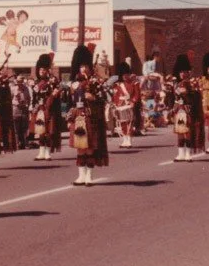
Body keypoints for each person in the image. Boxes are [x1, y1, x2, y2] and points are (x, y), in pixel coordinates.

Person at [68, 44, 109, 186]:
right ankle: (81, 176)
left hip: (91, 117)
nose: (83, 69)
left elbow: (104, 98)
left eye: (85, 66)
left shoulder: (96, 81)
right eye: (81, 66)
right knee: (80, 147)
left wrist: (93, 98)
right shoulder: (73, 84)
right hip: (78, 117)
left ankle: (89, 176)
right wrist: (69, 118)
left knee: (90, 147)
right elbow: (69, 103)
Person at [171, 52, 204, 162]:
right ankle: (180, 153)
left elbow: (195, 97)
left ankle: (188, 153)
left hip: (189, 110)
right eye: (181, 72)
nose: (183, 74)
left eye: (185, 71)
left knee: (188, 132)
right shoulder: (175, 84)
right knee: (180, 132)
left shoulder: (193, 83)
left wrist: (187, 91)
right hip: (179, 110)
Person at [30, 53, 62, 161]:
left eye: (44, 69)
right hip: (39, 109)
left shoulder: (52, 81)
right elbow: (34, 97)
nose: (42, 71)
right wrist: (33, 108)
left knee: (48, 131)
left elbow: (57, 92)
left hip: (49, 108)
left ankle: (47, 152)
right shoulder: (36, 82)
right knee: (40, 131)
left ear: (47, 70)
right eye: (40, 70)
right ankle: (41, 152)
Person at [112, 61, 140, 148]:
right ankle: (124, 139)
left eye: (126, 74)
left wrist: (133, 102)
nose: (125, 76)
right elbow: (115, 96)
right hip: (121, 106)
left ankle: (129, 140)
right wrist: (115, 105)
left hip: (129, 104)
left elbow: (137, 94)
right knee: (122, 123)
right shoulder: (118, 85)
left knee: (130, 123)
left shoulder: (134, 83)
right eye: (123, 75)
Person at [11, 75, 31, 151]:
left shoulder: (26, 88)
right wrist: (15, 103)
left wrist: (27, 104)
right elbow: (10, 98)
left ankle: (25, 143)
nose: (20, 82)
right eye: (19, 81)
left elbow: (29, 98)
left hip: (24, 109)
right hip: (16, 109)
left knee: (24, 128)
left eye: (21, 81)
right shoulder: (13, 88)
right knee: (16, 128)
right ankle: (17, 144)